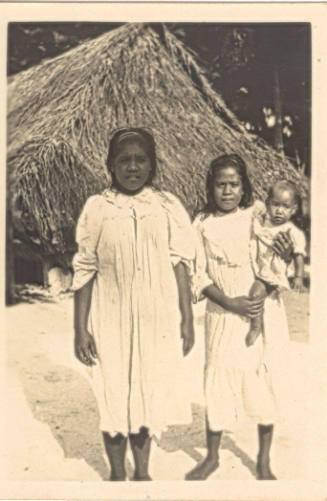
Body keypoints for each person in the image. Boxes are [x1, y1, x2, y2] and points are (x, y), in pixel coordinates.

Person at [72, 128, 195, 481]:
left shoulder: (167, 206)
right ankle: (115, 474)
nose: (132, 167)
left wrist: (186, 319)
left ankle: (142, 473)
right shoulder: (98, 208)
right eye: (124, 160)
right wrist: (80, 329)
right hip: (109, 317)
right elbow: (85, 270)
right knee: (113, 395)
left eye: (141, 160)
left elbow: (179, 264)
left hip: (156, 318)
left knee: (147, 392)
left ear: (153, 165)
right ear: (111, 165)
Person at [185, 154, 293, 481]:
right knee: (217, 378)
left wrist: (280, 262)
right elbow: (197, 274)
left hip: (261, 308)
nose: (228, 191)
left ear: (244, 186)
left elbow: (273, 254)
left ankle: (262, 460)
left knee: (261, 381)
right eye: (221, 185)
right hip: (223, 311)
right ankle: (212, 457)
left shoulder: (256, 214)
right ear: (211, 187)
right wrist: (230, 303)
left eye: (234, 184)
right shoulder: (202, 223)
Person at [246, 180, 306, 347]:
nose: (279, 210)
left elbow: (298, 255)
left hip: (273, 273)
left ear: (293, 210)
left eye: (285, 207)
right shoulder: (261, 221)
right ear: (267, 204)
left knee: (256, 293)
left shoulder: (292, 231)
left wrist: (299, 277)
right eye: (275, 205)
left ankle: (255, 327)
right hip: (258, 266)